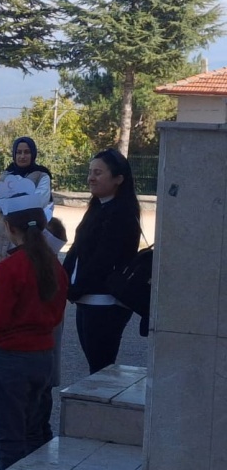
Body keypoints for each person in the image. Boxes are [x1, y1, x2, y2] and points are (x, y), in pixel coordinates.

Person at [0, 198, 68, 470]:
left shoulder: (9, 268)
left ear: (9, 227)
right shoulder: (55, 267)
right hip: (43, 356)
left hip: (11, 360)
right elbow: (56, 315)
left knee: (8, 436)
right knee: (35, 431)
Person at [63, 148, 141, 374]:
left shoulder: (121, 213)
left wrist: (75, 288)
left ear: (118, 179)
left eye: (98, 172)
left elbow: (103, 260)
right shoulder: (99, 206)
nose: (91, 178)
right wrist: (63, 279)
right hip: (88, 299)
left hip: (105, 303)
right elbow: (78, 249)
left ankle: (102, 410)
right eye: (90, 172)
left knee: (101, 369)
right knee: (96, 367)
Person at [0, 137, 53, 265]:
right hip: (0, 238)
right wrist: (21, 201)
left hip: (28, 239)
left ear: (33, 154)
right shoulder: (6, 175)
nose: (22, 156)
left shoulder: (42, 175)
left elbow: (39, 201)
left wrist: (7, 201)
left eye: (27, 152)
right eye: (19, 152)